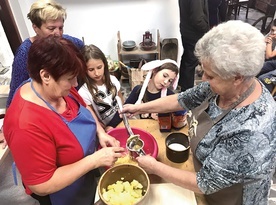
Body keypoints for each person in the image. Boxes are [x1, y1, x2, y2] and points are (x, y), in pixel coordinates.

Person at [121, 20, 276, 205]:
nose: (203, 79)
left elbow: (205, 183)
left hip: (229, 197)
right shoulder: (220, 87)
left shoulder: (251, 132)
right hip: (203, 176)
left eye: (210, 76)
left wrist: (154, 167)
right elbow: (182, 99)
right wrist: (139, 108)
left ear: (237, 77)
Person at [3, 35, 124, 205]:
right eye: (70, 78)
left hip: (83, 178)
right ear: (45, 76)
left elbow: (84, 107)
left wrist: (100, 132)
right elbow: (41, 184)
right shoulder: (25, 124)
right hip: (62, 194)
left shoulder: (57, 88)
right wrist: (95, 160)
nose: (75, 84)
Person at [6, 0, 84, 108]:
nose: (58, 33)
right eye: (51, 28)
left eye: (60, 28)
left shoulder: (68, 41)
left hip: (71, 102)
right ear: (36, 28)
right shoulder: (24, 53)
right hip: (47, 107)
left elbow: (85, 50)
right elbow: (15, 94)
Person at [78, 44, 124, 131]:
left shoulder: (113, 79)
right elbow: (93, 118)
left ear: (104, 64)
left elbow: (121, 101)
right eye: (91, 69)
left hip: (121, 117)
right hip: (107, 128)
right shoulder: (83, 92)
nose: (97, 73)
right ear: (84, 69)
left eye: (99, 67)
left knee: (137, 89)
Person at [178, 0, 209, 92]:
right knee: (190, 62)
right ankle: (187, 90)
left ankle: (182, 84)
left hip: (186, 30)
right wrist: (206, 29)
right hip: (193, 33)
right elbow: (197, 19)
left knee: (187, 58)